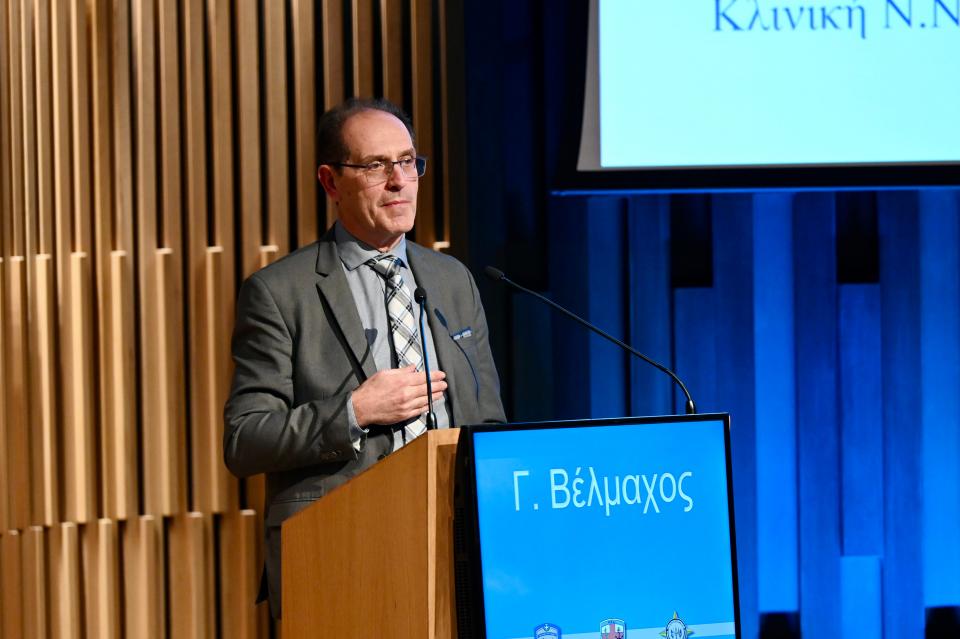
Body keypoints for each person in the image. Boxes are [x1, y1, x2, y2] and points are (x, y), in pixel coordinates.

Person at [222, 97, 506, 618]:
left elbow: (488, 422)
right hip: (339, 552)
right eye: (376, 165)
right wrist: (353, 412)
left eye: (407, 161)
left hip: (457, 547)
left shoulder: (453, 280)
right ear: (331, 182)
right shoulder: (279, 292)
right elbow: (245, 439)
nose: (399, 181)